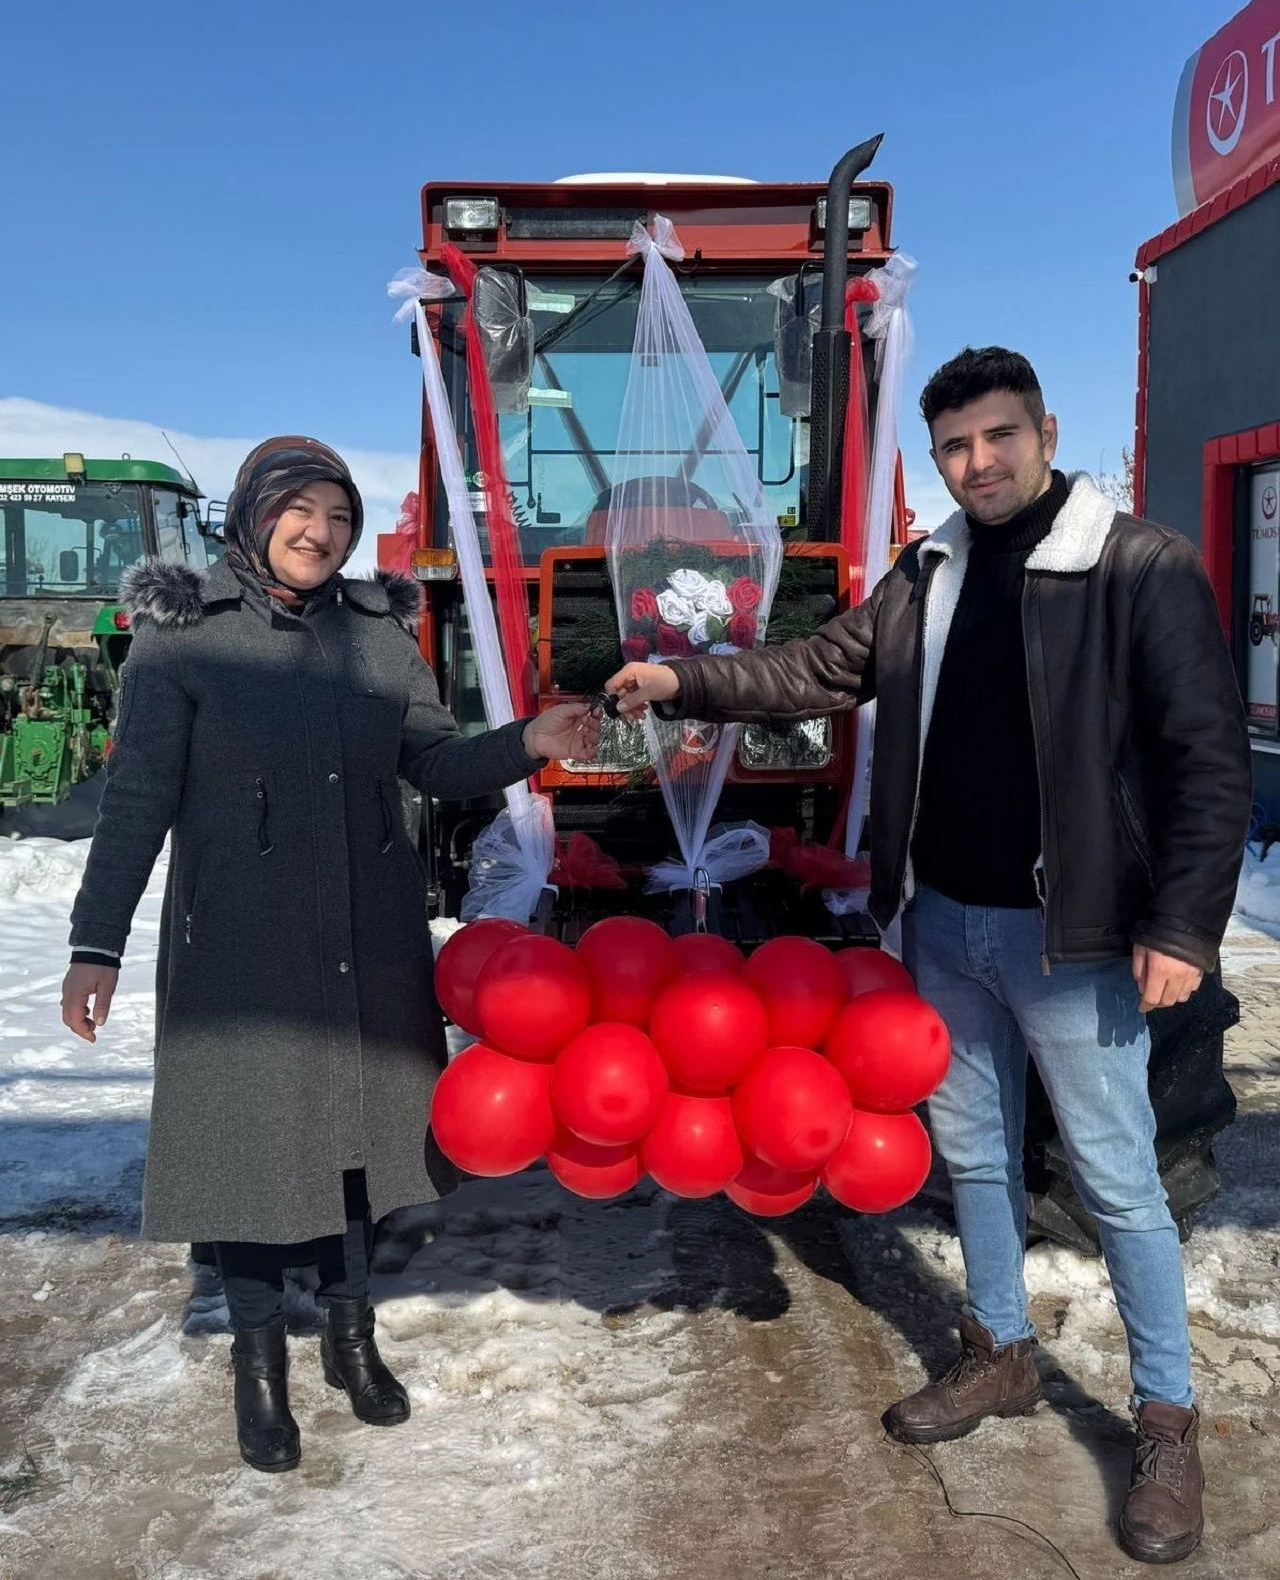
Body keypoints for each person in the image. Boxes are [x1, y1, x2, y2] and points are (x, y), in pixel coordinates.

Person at [606, 348, 1252, 1566]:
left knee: (1118, 1183)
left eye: (999, 437)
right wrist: (683, 677)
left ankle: (1164, 1421)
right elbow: (814, 666)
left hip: (1074, 937)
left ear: (1044, 430)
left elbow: (1207, 762)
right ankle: (999, 1351)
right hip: (942, 922)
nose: (979, 463)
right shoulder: (931, 570)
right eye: (955, 446)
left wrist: (1179, 927)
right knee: (972, 1159)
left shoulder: (1137, 566)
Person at [62, 436, 598, 1474]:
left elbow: (436, 760)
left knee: (360, 1139)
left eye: (340, 517)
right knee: (254, 1149)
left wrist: (530, 741)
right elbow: (135, 804)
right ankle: (258, 1363)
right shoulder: (184, 639)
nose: (321, 532)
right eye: (300, 511)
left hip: (364, 926)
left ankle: (353, 1336)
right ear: (256, 513)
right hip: (237, 938)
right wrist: (96, 944)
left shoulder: (376, 632)